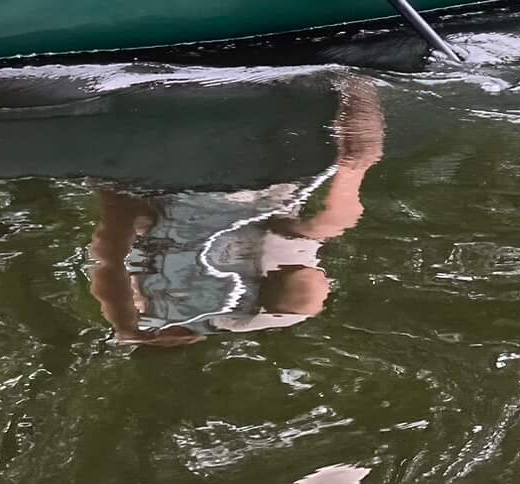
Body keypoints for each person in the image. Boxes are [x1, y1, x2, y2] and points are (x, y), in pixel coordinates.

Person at [85, 75, 385, 344]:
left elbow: (112, 244)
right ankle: (354, 90)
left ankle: (354, 91)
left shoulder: (175, 287)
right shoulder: (177, 291)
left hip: (206, 170)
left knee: (314, 259)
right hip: (224, 167)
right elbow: (111, 248)